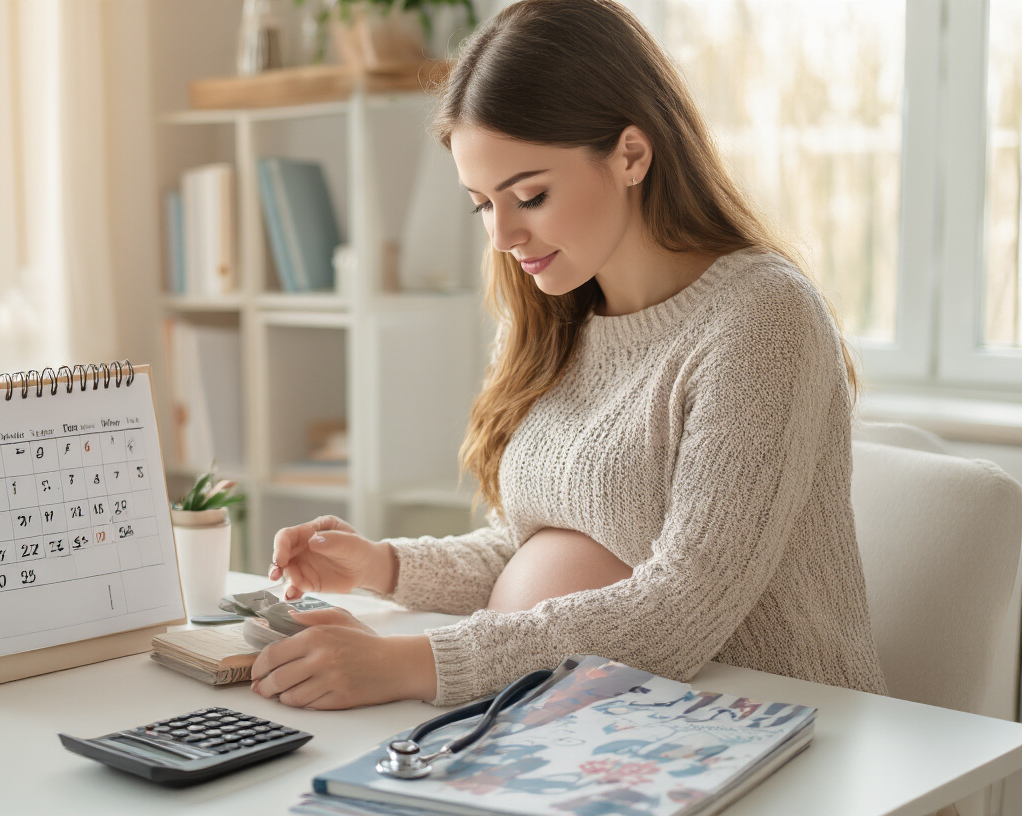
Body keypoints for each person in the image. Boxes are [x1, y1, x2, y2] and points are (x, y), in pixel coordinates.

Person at [250, 0, 888, 711]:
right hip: (600, 719)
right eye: (483, 204)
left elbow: (683, 606)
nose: (503, 236)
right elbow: (529, 547)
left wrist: (413, 662)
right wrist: (385, 565)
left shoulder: (762, 319)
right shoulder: (558, 313)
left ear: (632, 154)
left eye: (530, 195)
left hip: (769, 724)